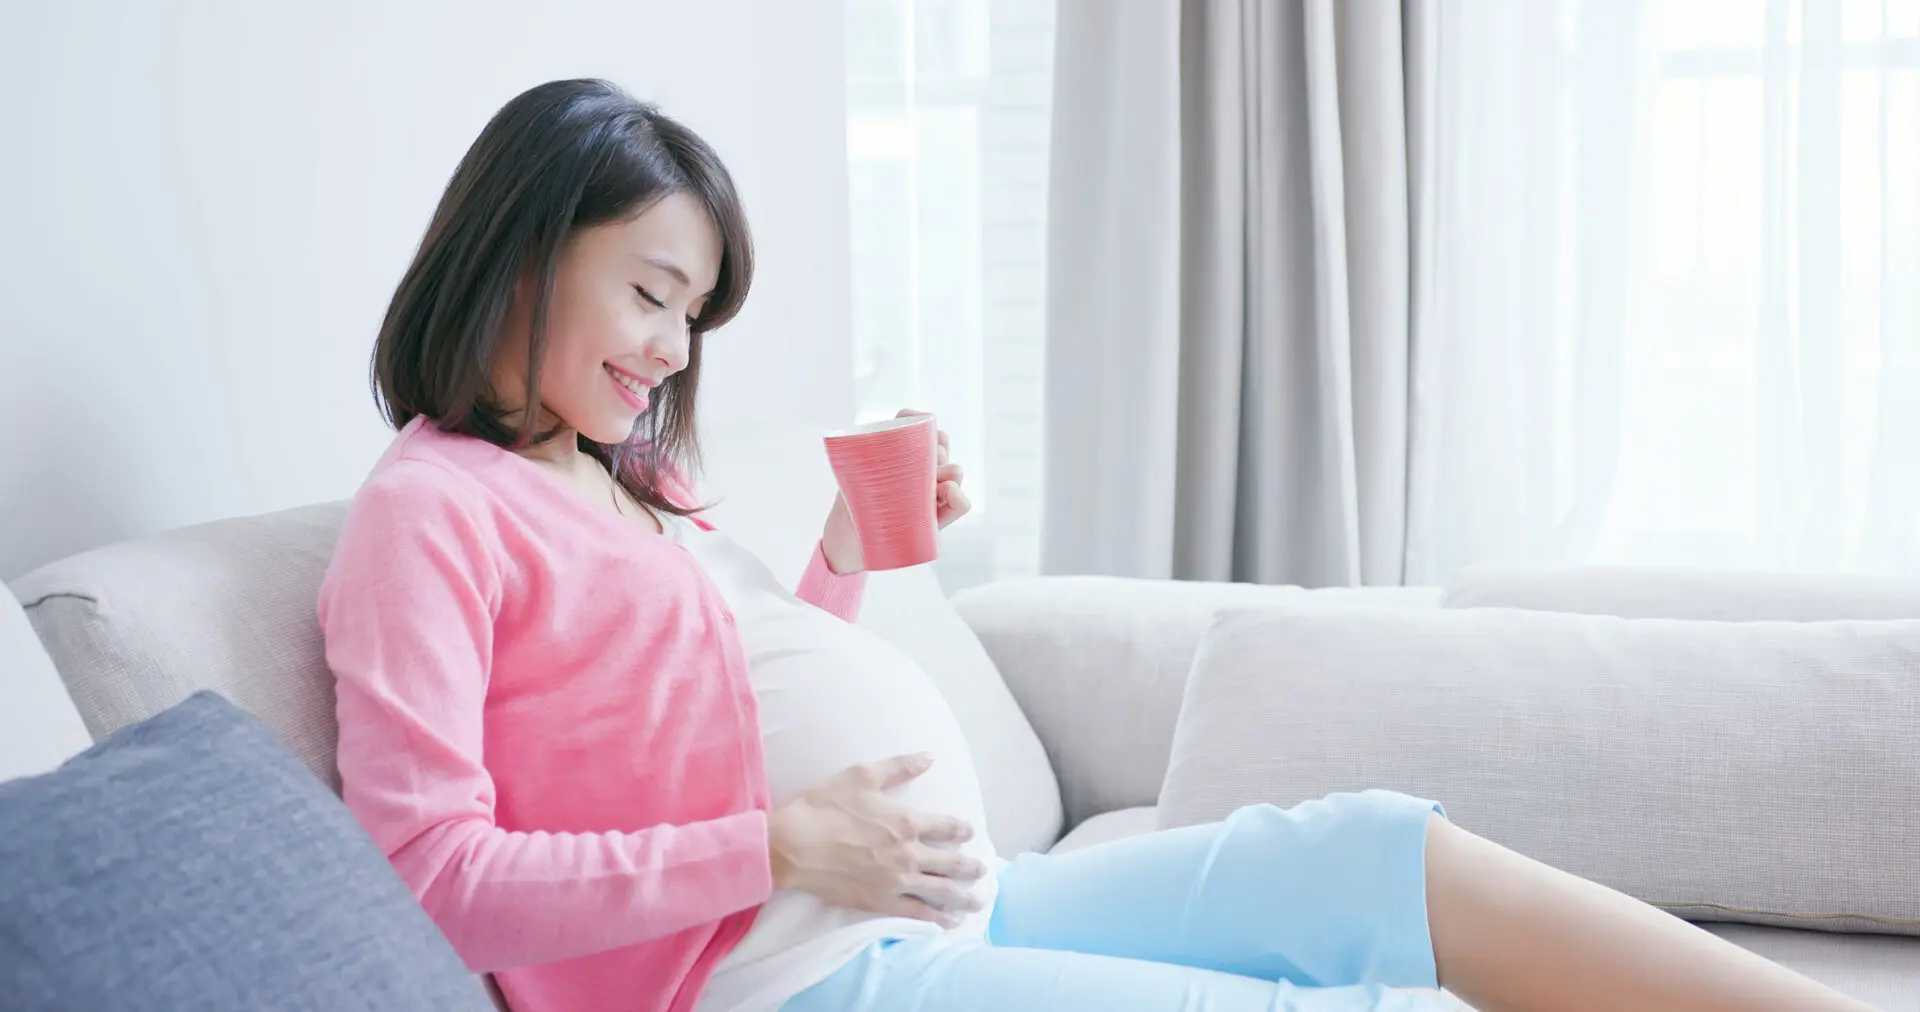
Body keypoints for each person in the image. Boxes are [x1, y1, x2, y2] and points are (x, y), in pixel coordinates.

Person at [317, 78, 1870, 1012]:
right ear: (524, 245)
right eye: (651, 291)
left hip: (929, 903)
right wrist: (781, 850)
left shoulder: (618, 474)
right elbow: (433, 877)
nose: (670, 346)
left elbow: (725, 704)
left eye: (690, 314)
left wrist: (856, 550)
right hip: (786, 978)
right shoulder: (429, 512)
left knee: (1378, 852)